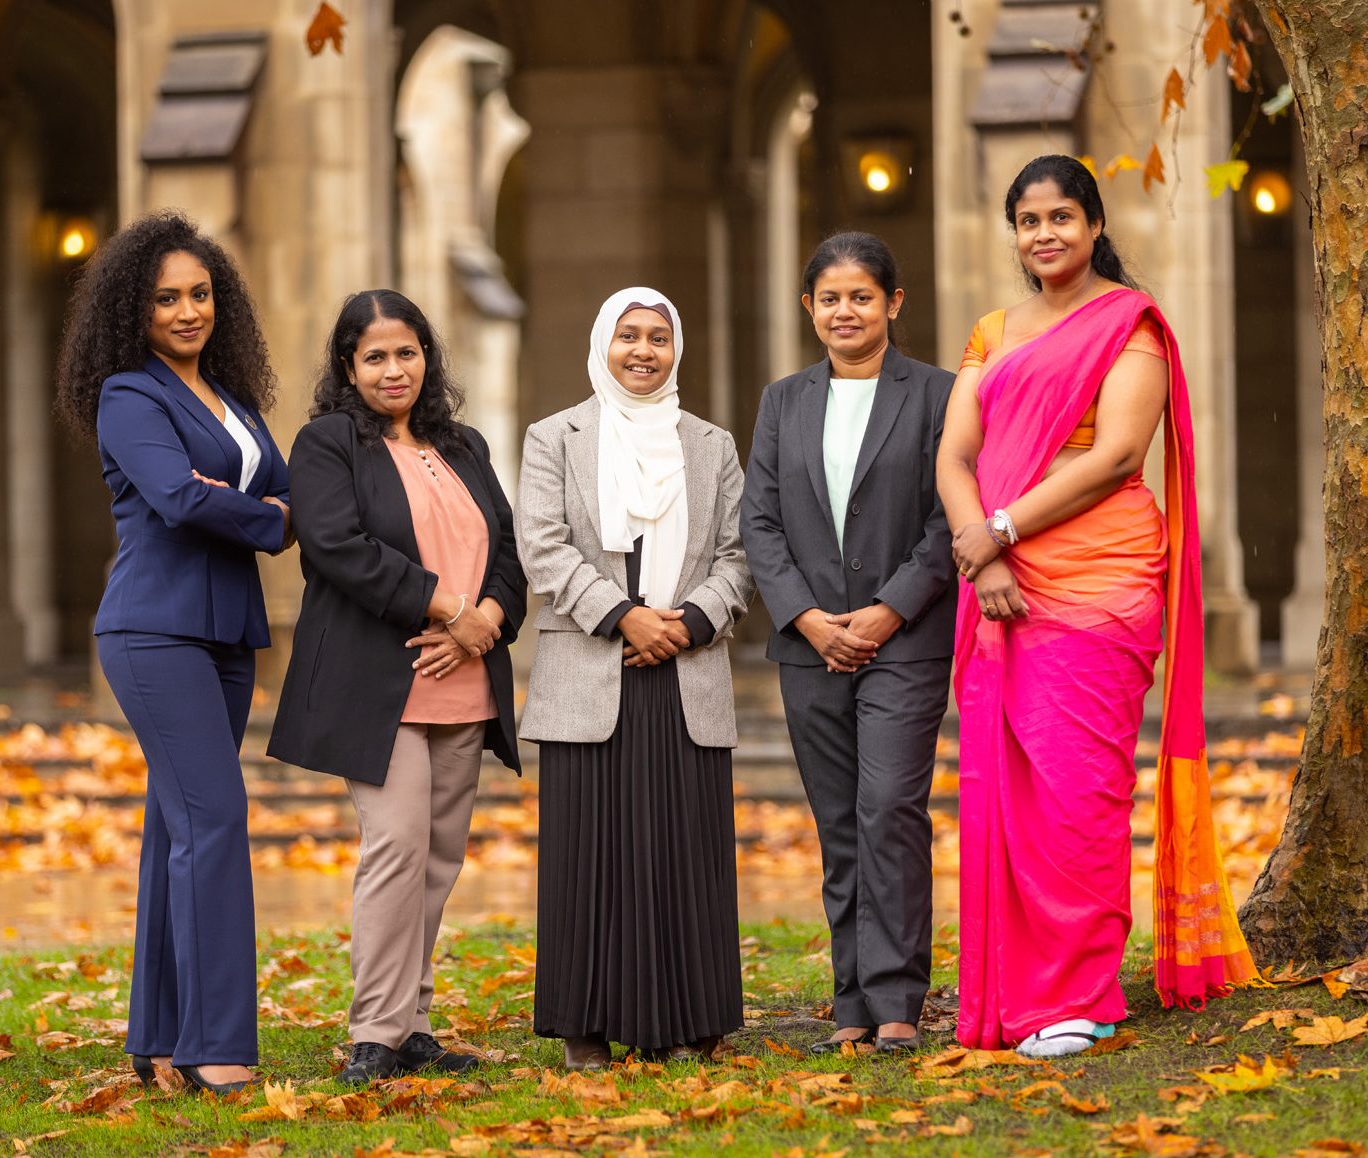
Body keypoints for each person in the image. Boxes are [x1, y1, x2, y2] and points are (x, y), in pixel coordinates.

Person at [936, 154, 1257, 1059]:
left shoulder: (1130, 325)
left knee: (1080, 790)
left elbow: (1117, 455)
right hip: (998, 580)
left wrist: (997, 530)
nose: (1044, 234)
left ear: (1094, 224)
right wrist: (981, 552)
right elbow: (954, 454)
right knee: (1010, 792)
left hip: (1101, 581)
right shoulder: (994, 330)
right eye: (1028, 220)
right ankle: (1009, 995)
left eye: (1061, 217)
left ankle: (1080, 993)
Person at [53, 211, 293, 1096]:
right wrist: (270, 520)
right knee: (216, 820)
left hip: (226, 634)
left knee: (177, 829)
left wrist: (265, 505)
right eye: (166, 299)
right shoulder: (128, 395)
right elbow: (178, 500)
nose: (187, 311)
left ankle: (158, 1037)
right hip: (153, 632)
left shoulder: (235, 403)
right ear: (133, 309)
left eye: (199, 294)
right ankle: (215, 1047)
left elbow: (271, 485)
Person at [267, 290, 525, 1085]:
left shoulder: (466, 446)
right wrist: (449, 605)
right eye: (374, 355)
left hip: (465, 678)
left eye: (406, 352)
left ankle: (413, 1024)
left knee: (439, 858)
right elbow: (338, 546)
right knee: (395, 846)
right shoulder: (326, 444)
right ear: (349, 365)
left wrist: (484, 617)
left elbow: (509, 556)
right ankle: (374, 1032)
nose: (393, 369)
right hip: (378, 684)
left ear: (427, 358)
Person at [517, 287, 754, 1070]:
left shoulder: (711, 444)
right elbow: (544, 549)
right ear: (603, 344)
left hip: (685, 670)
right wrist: (626, 616)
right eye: (628, 336)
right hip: (593, 665)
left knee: (685, 855)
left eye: (658, 336)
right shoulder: (554, 436)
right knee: (589, 858)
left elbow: (737, 555)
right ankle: (587, 1023)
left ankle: (691, 1016)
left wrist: (686, 623)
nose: (643, 351)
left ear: (675, 348)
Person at [740, 233, 957, 1055]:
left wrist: (886, 611)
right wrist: (804, 617)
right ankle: (850, 1001)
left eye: (862, 296)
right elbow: (759, 523)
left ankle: (899, 994)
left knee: (890, 811)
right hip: (808, 646)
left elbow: (948, 518)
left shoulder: (936, 394)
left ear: (894, 304)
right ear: (809, 309)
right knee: (838, 823)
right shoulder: (782, 402)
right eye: (830, 298)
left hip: (903, 640)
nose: (845, 311)